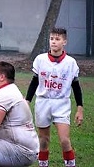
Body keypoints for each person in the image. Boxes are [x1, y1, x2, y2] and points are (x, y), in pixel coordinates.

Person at [25, 27, 83, 167]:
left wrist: (80, 108)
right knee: (44, 140)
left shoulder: (70, 63)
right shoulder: (40, 60)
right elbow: (34, 81)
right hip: (43, 102)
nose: (54, 42)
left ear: (64, 42)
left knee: (64, 140)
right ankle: (43, 164)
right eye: (52, 39)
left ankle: (70, 164)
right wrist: (27, 100)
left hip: (61, 103)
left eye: (57, 39)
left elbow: (76, 86)